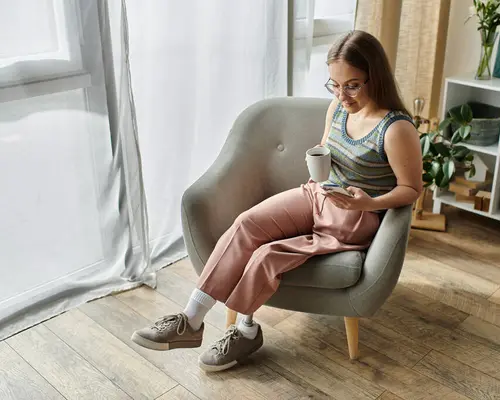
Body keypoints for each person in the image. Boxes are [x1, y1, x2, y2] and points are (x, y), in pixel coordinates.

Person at [131, 29, 422, 372]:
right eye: (335, 84)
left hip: (353, 218)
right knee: (246, 224)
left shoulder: (395, 128)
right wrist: (318, 161)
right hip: (317, 193)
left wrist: (367, 205)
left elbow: (411, 189)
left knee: (267, 255)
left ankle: (246, 331)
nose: (342, 95)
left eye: (352, 85)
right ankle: (190, 320)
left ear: (376, 77)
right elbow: (328, 150)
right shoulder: (338, 109)